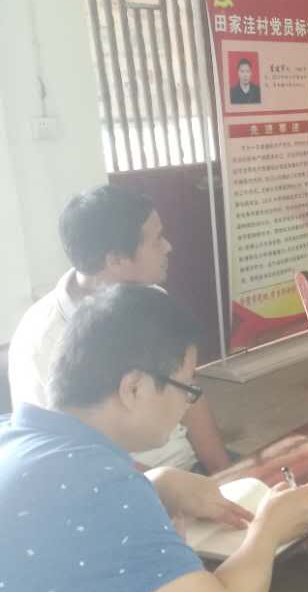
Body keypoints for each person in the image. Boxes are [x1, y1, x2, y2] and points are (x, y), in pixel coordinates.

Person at [1, 284, 308, 592]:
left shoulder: (17, 437)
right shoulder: (101, 486)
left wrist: (156, 484)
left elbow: (60, 525)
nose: (189, 405)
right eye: (187, 387)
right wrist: (269, 529)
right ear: (134, 387)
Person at [8, 185, 230, 472]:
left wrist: (225, 475)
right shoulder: (44, 339)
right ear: (116, 260)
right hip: (122, 483)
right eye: (157, 239)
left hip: (186, 464)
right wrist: (172, 489)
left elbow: (189, 391)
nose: (168, 247)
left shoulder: (150, 298)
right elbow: (68, 452)